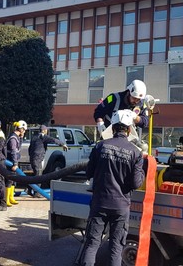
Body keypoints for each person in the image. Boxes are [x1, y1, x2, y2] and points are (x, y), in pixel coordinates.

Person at [77, 110, 145, 266]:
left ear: (113, 128)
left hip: (99, 203)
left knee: (92, 243)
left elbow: (88, 173)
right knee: (115, 247)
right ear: (129, 129)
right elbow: (136, 183)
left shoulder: (100, 146)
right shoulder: (136, 152)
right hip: (121, 207)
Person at [28, 125, 68, 197]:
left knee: (35, 174)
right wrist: (63, 144)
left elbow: (30, 148)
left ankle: (29, 189)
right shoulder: (43, 137)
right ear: (44, 130)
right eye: (46, 130)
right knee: (38, 175)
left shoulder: (34, 137)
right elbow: (53, 140)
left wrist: (31, 156)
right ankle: (37, 192)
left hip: (32, 157)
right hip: (38, 158)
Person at [6, 120, 28, 207]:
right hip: (10, 162)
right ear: (21, 129)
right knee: (9, 180)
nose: (25, 131)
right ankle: (6, 198)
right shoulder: (13, 138)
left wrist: (22, 138)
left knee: (13, 180)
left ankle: (11, 197)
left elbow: (19, 147)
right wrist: (15, 163)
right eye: (24, 130)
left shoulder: (16, 137)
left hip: (13, 161)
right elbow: (14, 151)